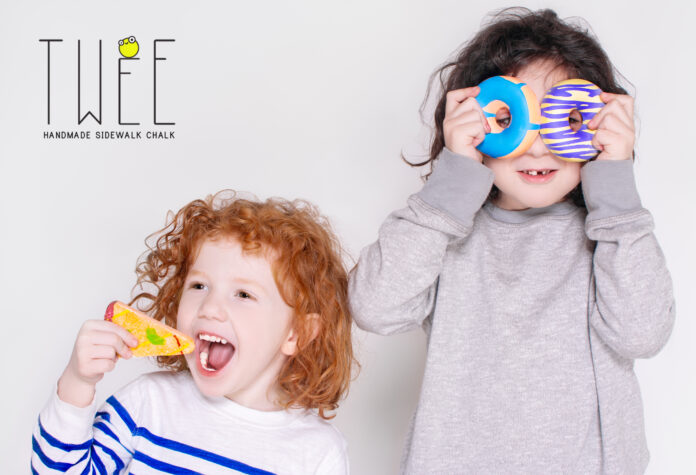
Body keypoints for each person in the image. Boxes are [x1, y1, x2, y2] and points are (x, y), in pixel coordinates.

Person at [348, 8, 674, 474]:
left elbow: (642, 333)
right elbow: (375, 307)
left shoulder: (611, 239)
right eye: (509, 119)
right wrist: (454, 180)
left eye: (567, 119)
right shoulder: (444, 233)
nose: (538, 146)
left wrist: (616, 189)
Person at [32, 191, 356, 474]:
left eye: (243, 294)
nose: (209, 307)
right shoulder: (149, 403)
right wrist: (77, 382)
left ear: (297, 333)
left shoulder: (317, 454)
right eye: (199, 285)